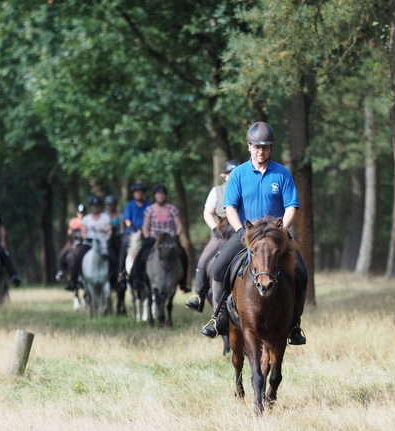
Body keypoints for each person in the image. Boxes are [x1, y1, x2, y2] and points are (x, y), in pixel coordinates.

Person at [200, 122, 307, 345]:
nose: (261, 150)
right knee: (219, 267)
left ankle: (294, 324)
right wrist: (240, 231)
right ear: (249, 147)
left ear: (271, 148)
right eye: (256, 146)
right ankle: (219, 319)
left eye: (265, 147)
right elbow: (229, 207)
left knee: (301, 273)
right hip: (246, 235)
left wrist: (282, 230)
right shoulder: (238, 174)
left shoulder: (282, 173)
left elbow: (291, 206)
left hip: (276, 237)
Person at [185, 159, 240, 312]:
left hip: (240, 233)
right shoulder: (217, 191)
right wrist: (216, 229)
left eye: (236, 173)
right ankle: (198, 295)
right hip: (221, 233)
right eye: (230, 173)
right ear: (224, 176)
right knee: (203, 260)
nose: (233, 176)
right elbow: (207, 212)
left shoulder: (244, 188)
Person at [129, 184, 190, 293]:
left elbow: (179, 225)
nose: (160, 196)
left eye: (162, 194)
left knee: (183, 255)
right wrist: (147, 237)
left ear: (165, 195)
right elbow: (145, 227)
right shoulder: (150, 209)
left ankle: (183, 283)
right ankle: (136, 279)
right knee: (142, 253)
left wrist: (176, 235)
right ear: (155, 196)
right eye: (158, 194)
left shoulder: (172, 209)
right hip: (154, 239)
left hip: (169, 239)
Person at [65, 195, 112, 291]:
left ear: (100, 207)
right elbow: (84, 232)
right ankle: (73, 281)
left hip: (102, 242)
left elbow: (109, 230)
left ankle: (116, 279)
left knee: (113, 257)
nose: (95, 207)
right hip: (89, 242)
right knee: (77, 258)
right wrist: (88, 238)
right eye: (93, 206)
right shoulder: (86, 218)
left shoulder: (105, 217)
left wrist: (106, 237)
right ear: (91, 207)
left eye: (97, 205)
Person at [117, 183, 151, 286]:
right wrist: (132, 228)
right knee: (123, 247)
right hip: (131, 233)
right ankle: (121, 272)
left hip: (145, 232)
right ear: (133, 194)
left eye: (140, 192)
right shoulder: (130, 205)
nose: (139, 194)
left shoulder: (148, 205)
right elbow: (126, 219)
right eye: (137, 192)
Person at [55, 203, 86, 281]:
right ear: (77, 213)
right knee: (62, 254)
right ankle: (61, 271)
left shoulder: (87, 221)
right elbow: (69, 233)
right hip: (72, 241)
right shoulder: (73, 222)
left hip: (84, 242)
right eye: (79, 212)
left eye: (82, 213)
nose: (81, 214)